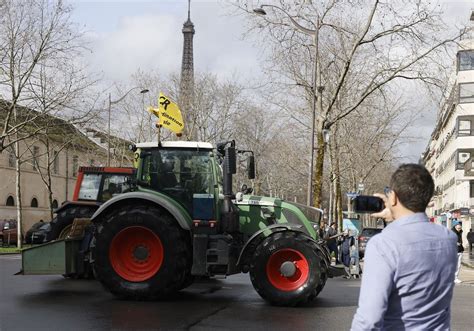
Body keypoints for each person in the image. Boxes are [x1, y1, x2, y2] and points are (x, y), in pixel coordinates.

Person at [351, 164, 458, 330]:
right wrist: (395, 216)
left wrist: (395, 216)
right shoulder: (448, 239)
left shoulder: (383, 245)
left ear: (392, 197)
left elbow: (369, 319)